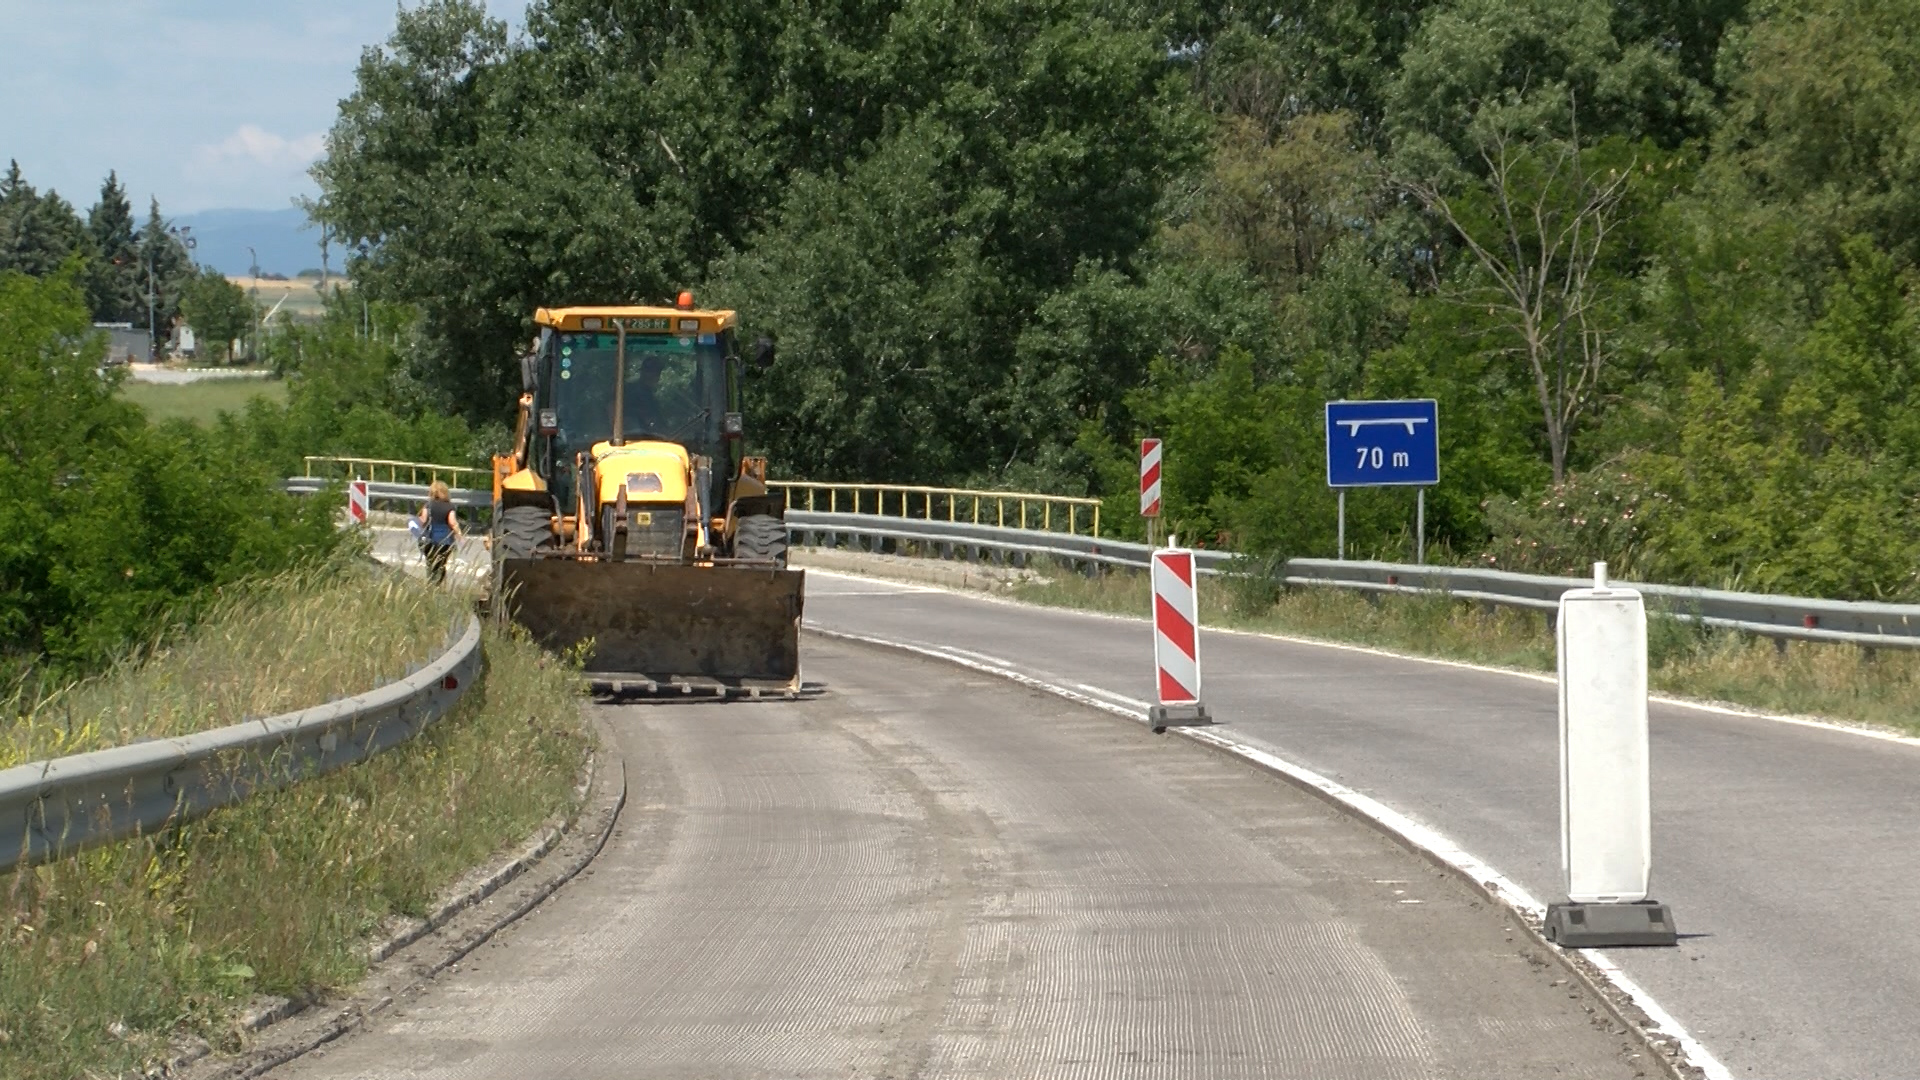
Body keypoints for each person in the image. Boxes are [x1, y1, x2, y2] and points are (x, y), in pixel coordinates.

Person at [418, 481, 464, 584]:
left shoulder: (428, 505)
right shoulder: (449, 506)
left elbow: (423, 520)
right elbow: (452, 522)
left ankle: (430, 584)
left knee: (430, 563)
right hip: (445, 541)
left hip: (430, 540)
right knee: (441, 564)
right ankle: (438, 584)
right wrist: (459, 535)